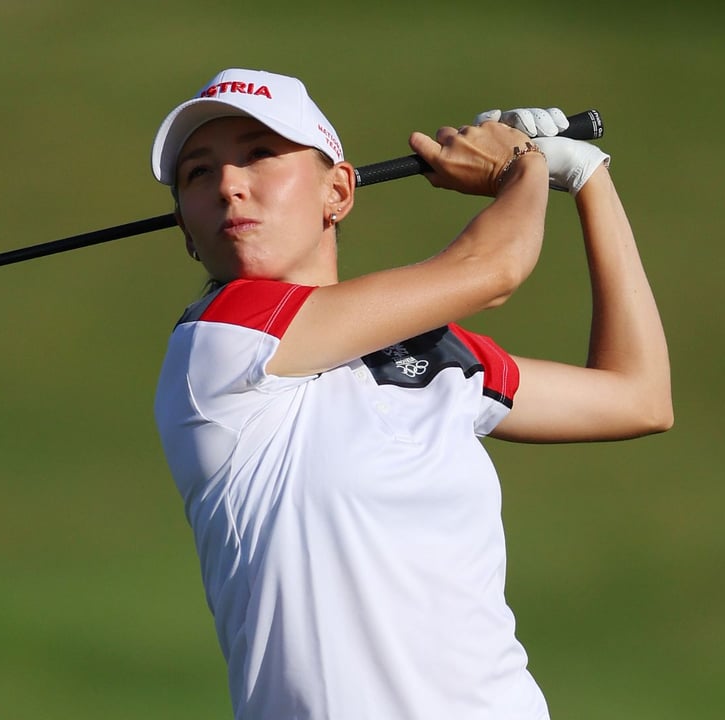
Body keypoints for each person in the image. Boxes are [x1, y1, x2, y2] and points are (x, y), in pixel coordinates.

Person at [150, 68, 671, 720]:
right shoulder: (218, 342)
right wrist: (524, 164)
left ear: (337, 191)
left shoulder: (436, 355)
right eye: (199, 173)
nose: (229, 184)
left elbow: (637, 396)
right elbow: (493, 270)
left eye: (260, 154)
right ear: (186, 229)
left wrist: (591, 179)